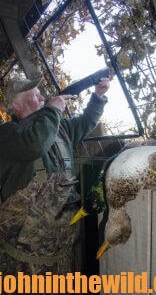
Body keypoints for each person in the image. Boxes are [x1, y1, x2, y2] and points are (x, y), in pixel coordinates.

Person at [0, 76, 110, 277]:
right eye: (34, 95)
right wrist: (53, 110)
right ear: (16, 105)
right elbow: (35, 144)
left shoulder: (58, 126)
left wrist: (98, 97)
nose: (42, 97)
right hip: (26, 245)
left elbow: (86, 122)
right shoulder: (6, 134)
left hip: (63, 231)